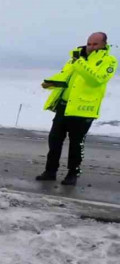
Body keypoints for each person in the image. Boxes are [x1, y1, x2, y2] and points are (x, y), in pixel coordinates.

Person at [37, 32, 116, 185]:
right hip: (64, 107)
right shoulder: (75, 59)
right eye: (89, 44)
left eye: (95, 44)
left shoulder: (108, 61)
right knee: (54, 141)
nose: (91, 47)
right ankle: (50, 171)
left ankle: (73, 174)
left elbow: (95, 80)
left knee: (76, 145)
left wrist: (79, 62)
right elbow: (65, 76)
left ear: (104, 45)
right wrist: (51, 83)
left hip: (83, 110)